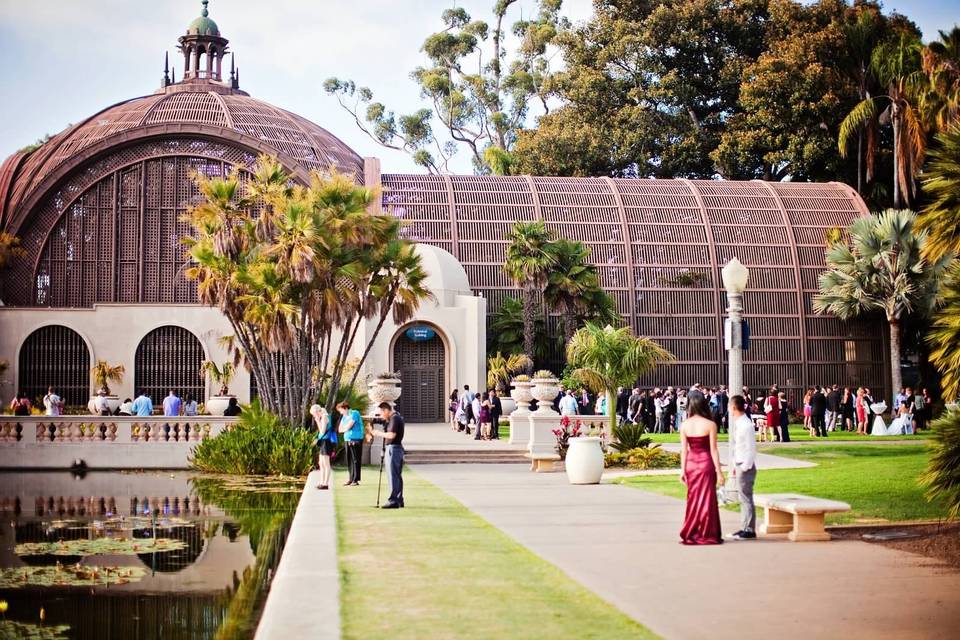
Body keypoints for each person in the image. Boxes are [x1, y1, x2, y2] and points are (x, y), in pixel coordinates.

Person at [679, 395, 725, 545]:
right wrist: (719, 472)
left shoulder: (685, 425)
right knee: (708, 499)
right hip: (706, 463)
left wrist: (682, 470)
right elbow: (714, 450)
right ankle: (707, 532)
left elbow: (684, 450)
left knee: (692, 499)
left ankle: (692, 530)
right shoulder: (710, 424)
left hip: (691, 464)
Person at [729, 395, 758, 540]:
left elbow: (751, 448)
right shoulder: (739, 423)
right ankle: (744, 526)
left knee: (746, 498)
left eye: (730, 407)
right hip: (740, 463)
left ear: (734, 407)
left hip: (745, 466)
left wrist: (745, 466)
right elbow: (738, 446)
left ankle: (749, 529)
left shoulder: (746, 425)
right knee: (743, 498)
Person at [368, 402, 405, 509]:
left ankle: (394, 500)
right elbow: (376, 420)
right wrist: (372, 420)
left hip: (394, 449)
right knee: (396, 475)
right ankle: (399, 499)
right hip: (394, 449)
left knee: (393, 475)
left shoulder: (395, 419)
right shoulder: (392, 418)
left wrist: (377, 433)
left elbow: (391, 435)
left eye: (381, 413)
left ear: (386, 410)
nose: (381, 416)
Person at [338, 402, 365, 486]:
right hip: (347, 439)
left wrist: (345, 428)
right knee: (349, 459)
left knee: (355, 459)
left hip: (356, 439)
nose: (340, 413)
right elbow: (340, 429)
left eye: (341, 410)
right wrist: (344, 429)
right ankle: (350, 478)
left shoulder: (354, 413)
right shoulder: (344, 416)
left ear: (345, 408)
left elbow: (348, 427)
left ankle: (355, 479)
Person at [311, 405, 335, 490]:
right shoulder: (324, 416)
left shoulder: (324, 417)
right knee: (321, 463)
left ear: (317, 412)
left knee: (325, 463)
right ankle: (321, 482)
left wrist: (317, 420)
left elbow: (322, 431)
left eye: (314, 414)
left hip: (326, 442)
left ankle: (325, 483)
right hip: (323, 442)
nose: (314, 416)